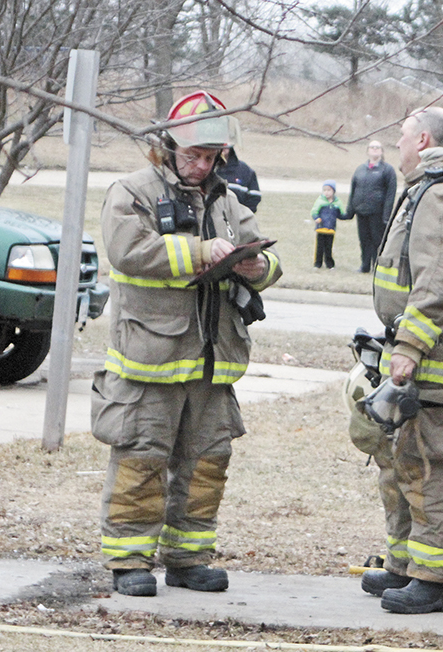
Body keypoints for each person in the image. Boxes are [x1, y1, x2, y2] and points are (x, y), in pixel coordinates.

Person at [92, 90, 282, 597]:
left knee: (207, 463)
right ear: (166, 146)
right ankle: (129, 560)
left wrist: (259, 267)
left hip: (212, 360)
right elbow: (129, 251)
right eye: (192, 154)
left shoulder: (228, 200)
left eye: (210, 156)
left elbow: (263, 253)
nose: (201, 165)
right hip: (150, 359)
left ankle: (188, 557)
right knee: (142, 458)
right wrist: (199, 252)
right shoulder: (131, 191)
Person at [358, 107, 443, 614]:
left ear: (425, 139)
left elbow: (440, 279)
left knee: (435, 466)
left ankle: (437, 581)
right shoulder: (431, 189)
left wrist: (409, 346)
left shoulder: (442, 197)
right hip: (424, 352)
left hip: (438, 357)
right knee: (405, 462)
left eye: (402, 135)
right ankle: (406, 566)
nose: (397, 145)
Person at [346, 140, 397, 272]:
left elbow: (390, 194)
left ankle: (377, 265)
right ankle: (365, 265)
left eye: (377, 147)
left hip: (377, 213)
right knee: (364, 240)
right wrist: (350, 211)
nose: (374, 149)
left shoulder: (387, 170)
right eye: (372, 147)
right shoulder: (360, 169)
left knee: (377, 240)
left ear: (382, 151)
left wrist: (386, 215)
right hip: (361, 211)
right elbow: (353, 190)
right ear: (368, 150)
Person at [217, 146, 262, 213]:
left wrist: (242, 217)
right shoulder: (204, 168)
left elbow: (254, 197)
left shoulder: (245, 170)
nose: (223, 146)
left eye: (225, 143)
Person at [310, 180, 343, 269]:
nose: (326, 192)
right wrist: (316, 218)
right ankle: (317, 263)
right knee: (319, 247)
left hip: (331, 229)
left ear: (333, 191)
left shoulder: (337, 202)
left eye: (329, 190)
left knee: (329, 247)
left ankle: (330, 264)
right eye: (325, 190)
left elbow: (341, 213)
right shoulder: (320, 201)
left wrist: (347, 215)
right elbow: (314, 211)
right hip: (321, 228)